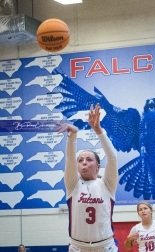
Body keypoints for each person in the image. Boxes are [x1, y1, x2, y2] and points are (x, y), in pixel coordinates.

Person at [57, 103, 119, 252]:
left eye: (89, 160)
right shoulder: (73, 184)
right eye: (81, 160)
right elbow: (70, 160)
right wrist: (72, 137)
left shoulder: (107, 184)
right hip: (78, 247)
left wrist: (98, 130)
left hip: (105, 247)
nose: (84, 163)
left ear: (98, 166)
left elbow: (112, 157)